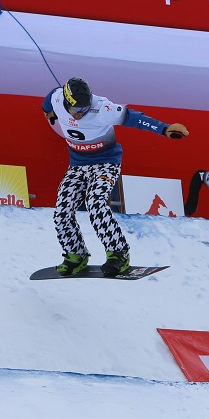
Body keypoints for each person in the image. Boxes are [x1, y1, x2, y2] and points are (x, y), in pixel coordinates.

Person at [42, 77, 188, 277]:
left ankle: (118, 254)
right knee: (62, 212)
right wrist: (49, 114)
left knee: (96, 204)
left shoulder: (103, 109)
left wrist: (164, 129)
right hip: (77, 166)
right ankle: (75, 255)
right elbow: (47, 103)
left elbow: (135, 118)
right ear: (66, 102)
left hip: (105, 163)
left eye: (84, 109)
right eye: (77, 110)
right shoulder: (57, 97)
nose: (80, 114)